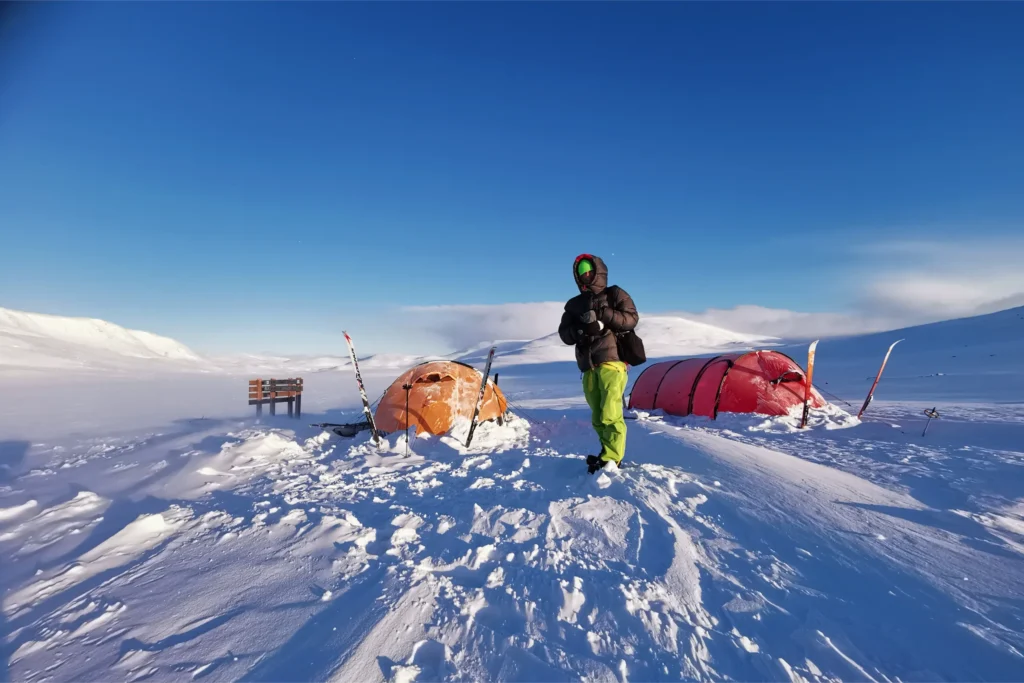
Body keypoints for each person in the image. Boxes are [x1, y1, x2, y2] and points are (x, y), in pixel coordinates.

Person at [558, 254, 639, 474]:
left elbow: (631, 319)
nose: (585, 275)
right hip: (588, 366)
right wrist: (581, 330)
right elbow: (564, 334)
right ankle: (606, 452)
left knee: (610, 413)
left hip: (612, 362)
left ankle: (613, 457)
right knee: (597, 416)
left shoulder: (615, 294)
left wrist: (603, 316)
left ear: (598, 271)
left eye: (589, 270)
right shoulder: (574, 305)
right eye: (581, 272)